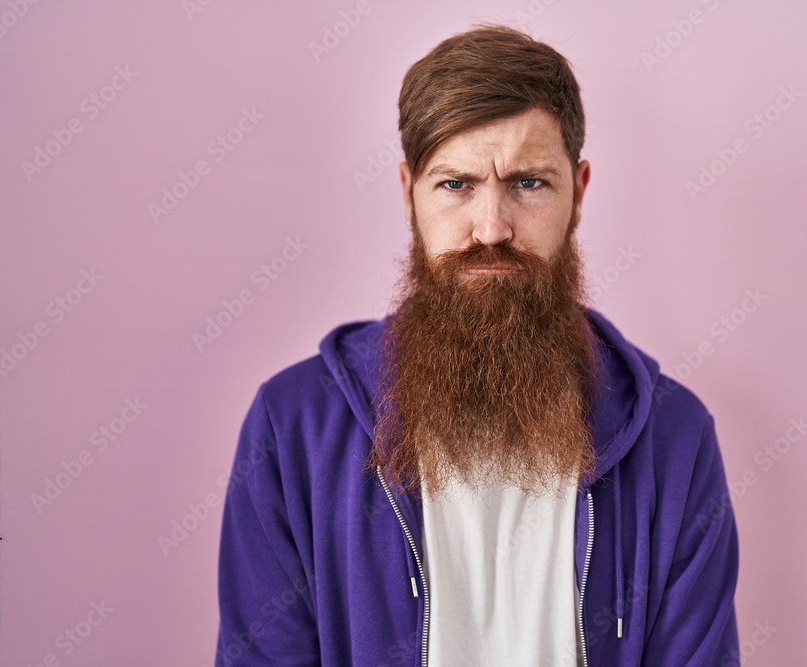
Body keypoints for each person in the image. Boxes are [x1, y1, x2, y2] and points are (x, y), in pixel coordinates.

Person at [215, 23, 740, 667]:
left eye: (528, 183)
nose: (491, 228)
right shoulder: (293, 426)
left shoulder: (676, 437)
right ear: (408, 191)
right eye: (456, 184)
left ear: (579, 191)